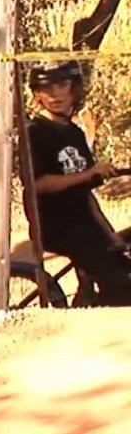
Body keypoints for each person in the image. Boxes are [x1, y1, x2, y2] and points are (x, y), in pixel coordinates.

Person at [25, 59, 131, 305]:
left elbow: (86, 195)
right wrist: (87, 174)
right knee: (121, 282)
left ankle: (88, 295)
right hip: (57, 226)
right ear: (37, 94)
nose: (55, 94)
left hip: (85, 224)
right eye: (46, 88)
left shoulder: (74, 132)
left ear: (74, 88)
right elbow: (37, 184)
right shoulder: (35, 131)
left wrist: (108, 232)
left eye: (62, 85)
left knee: (121, 256)